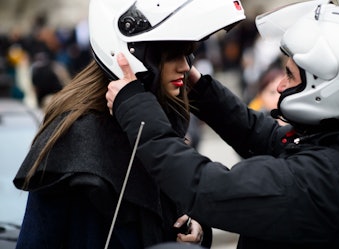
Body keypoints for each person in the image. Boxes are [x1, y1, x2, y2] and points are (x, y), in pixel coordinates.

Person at [105, 1, 339, 248]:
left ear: (332, 88)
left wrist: (135, 108)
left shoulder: (326, 182)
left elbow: (205, 187)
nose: (280, 85)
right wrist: (201, 90)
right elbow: (267, 138)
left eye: (290, 76)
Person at [12, 0, 245, 248]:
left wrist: (197, 228)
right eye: (173, 55)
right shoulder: (72, 137)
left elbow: (179, 205)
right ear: (138, 55)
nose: (186, 66)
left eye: (187, 53)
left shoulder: (163, 119)